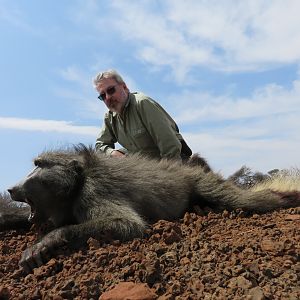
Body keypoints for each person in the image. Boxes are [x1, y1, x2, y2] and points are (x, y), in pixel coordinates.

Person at [93, 69, 192, 161]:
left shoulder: (142, 103)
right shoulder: (109, 117)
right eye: (102, 96)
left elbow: (170, 146)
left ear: (124, 87)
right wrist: (113, 154)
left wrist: (168, 175)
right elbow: (100, 145)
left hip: (170, 162)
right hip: (144, 168)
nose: (108, 97)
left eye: (111, 90)